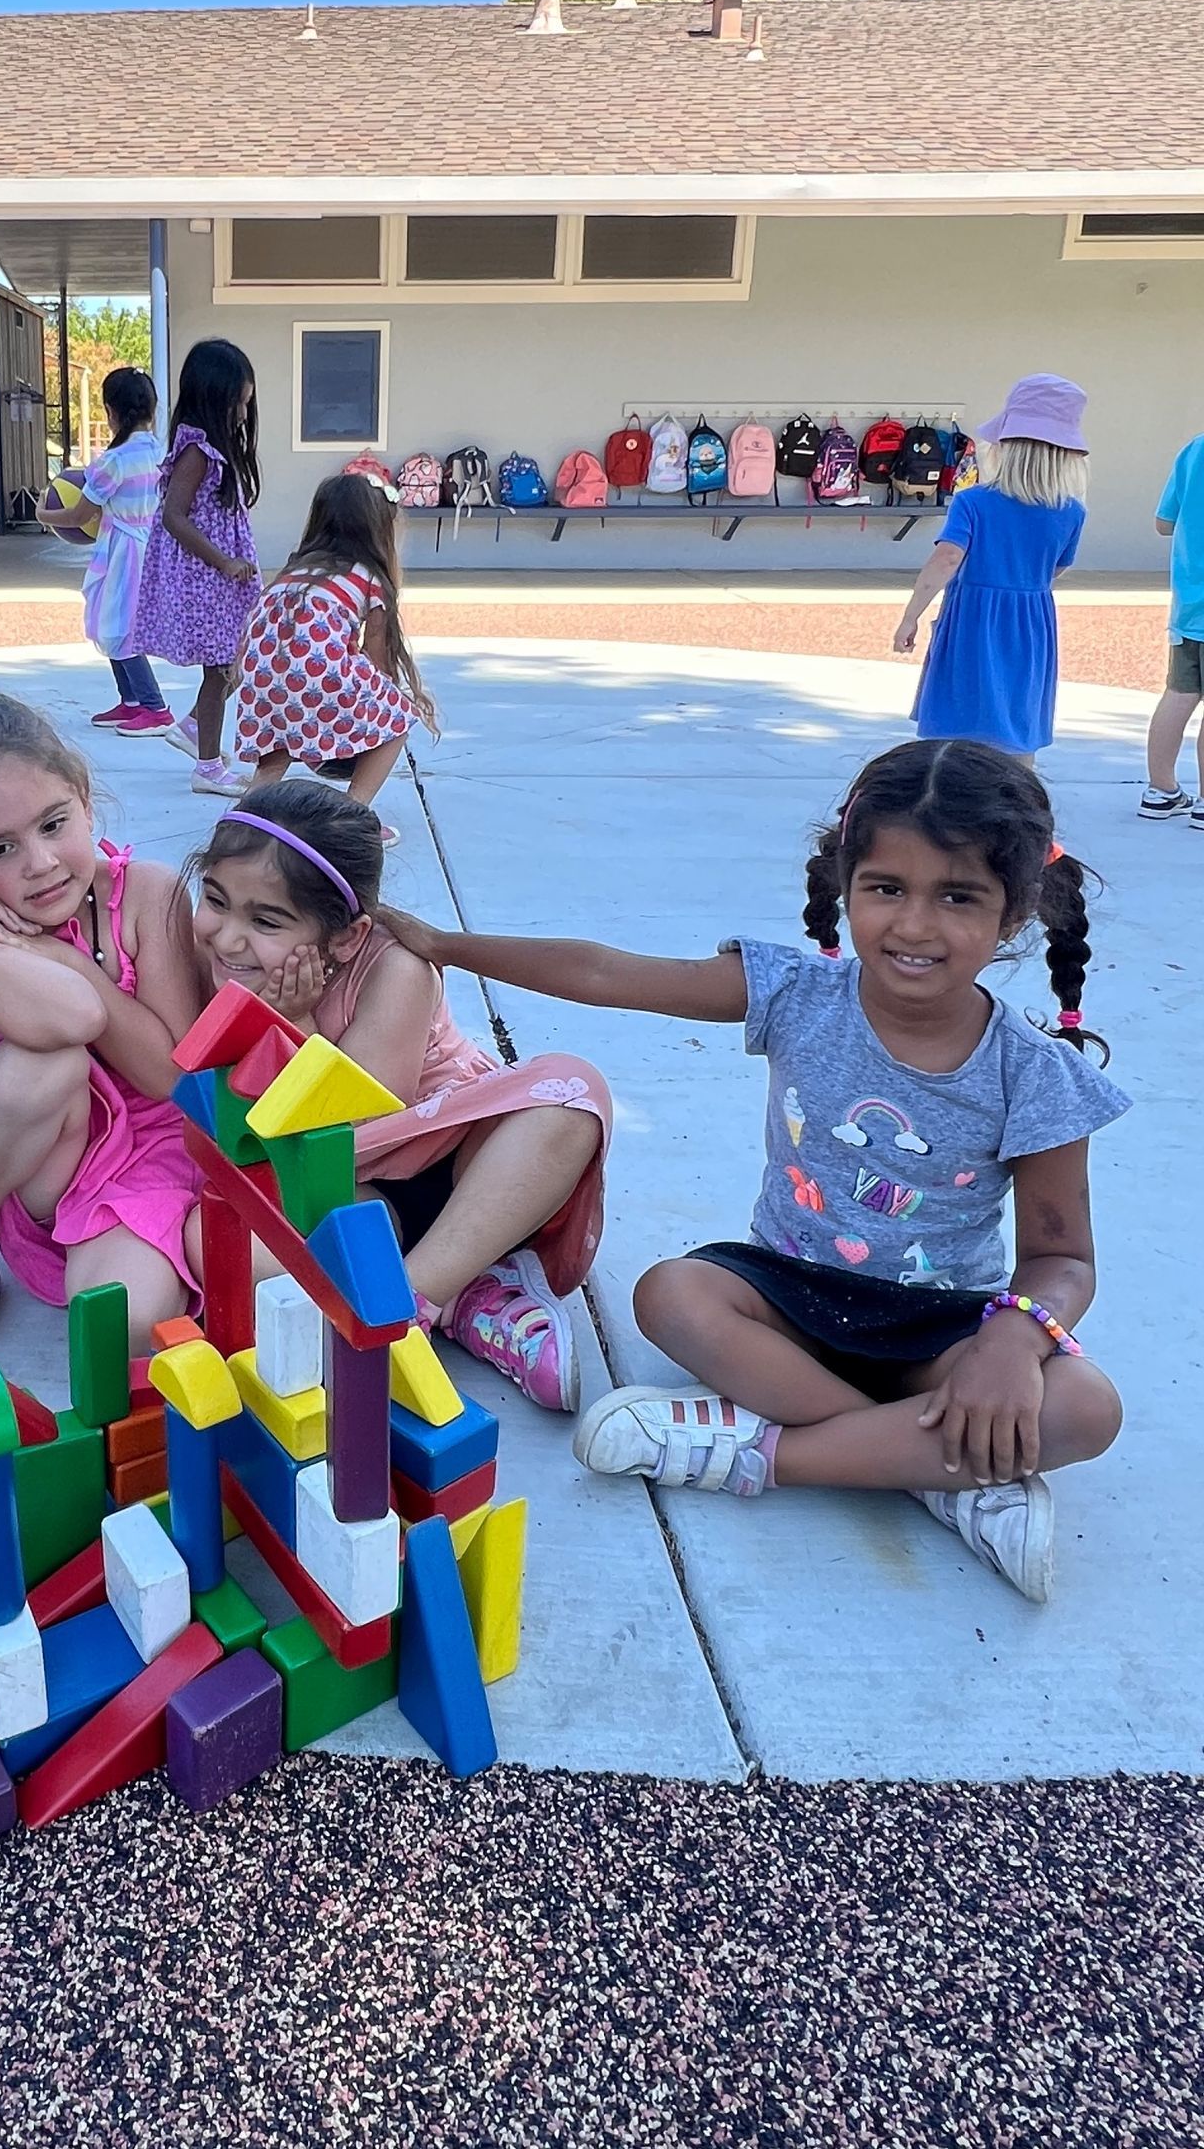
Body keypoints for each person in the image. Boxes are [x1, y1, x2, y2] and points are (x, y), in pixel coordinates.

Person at [384, 738, 1129, 1602]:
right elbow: (606, 970)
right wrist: (446, 944)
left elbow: (1062, 1259)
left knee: (1086, 1407)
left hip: (942, 1328)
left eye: (957, 897)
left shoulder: (1037, 1074)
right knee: (670, 1294)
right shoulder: (796, 994)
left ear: (1012, 914)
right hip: (786, 1302)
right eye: (887, 888)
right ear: (847, 886)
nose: (916, 925)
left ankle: (767, 1455)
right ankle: (934, 1471)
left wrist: (1011, 1338)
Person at [186, 781, 610, 1410]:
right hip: (356, 1194)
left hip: (459, 1165)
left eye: (266, 920)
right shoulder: (228, 964)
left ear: (347, 937)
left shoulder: (394, 969)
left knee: (572, 1093)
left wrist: (294, 1025)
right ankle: (465, 1291)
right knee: (212, 1240)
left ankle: (403, 1310)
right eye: (215, 901)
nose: (226, 937)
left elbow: (361, 1110)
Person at [0, 693, 204, 1376]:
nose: (39, 863)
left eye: (53, 824)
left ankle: (165, 1252)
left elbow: (174, 1079)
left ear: (86, 801)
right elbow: (66, 1025)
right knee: (47, 1059)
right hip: (51, 1163)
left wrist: (61, 959)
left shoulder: (146, 895)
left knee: (122, 1317)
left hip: (155, 1151)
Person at [892, 373, 1090, 760]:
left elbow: (946, 558)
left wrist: (910, 616)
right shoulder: (1071, 511)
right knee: (1018, 718)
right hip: (1031, 621)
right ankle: (1017, 796)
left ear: (1006, 446)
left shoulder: (974, 502)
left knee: (956, 716)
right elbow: (1057, 568)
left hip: (972, 618)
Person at [234, 472, 434, 820]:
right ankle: (350, 814)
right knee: (398, 717)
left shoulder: (294, 570)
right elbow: (378, 662)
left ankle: (246, 820)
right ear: (376, 526)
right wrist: (370, 721)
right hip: (315, 679)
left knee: (274, 758)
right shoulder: (368, 576)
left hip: (261, 682)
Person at [131, 336, 262, 795]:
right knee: (221, 666)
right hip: (208, 577)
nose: (243, 416)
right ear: (212, 398)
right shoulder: (196, 451)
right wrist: (223, 562)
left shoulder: (215, 451)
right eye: (237, 405)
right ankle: (207, 767)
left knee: (235, 659)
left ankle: (192, 728)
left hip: (223, 576)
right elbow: (173, 515)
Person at [80, 366, 173, 735]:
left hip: (124, 552)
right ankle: (131, 700)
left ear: (111, 412)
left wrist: (43, 512)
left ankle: (155, 707)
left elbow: (80, 511)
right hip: (150, 546)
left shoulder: (113, 462)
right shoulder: (160, 453)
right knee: (115, 621)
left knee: (119, 625)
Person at [1140, 423, 1204, 822]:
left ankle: (1161, 790)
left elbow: (1164, 523)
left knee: (1178, 695)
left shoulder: (1194, 449)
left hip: (1189, 605)